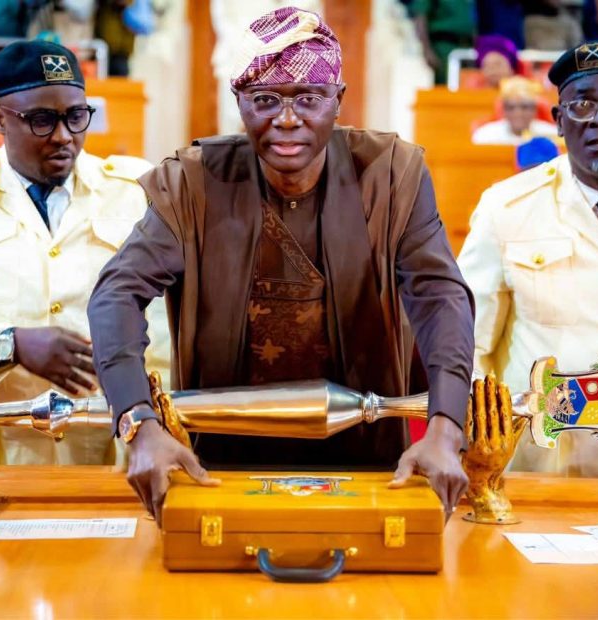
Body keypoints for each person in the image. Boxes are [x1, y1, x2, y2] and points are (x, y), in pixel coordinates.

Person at [88, 6, 474, 524]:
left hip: (372, 464)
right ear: (239, 102)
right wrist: (138, 423)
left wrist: (446, 427)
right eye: (265, 100)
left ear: (338, 100)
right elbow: (117, 293)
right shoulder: (194, 182)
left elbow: (439, 295)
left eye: (308, 99)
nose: (287, 120)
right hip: (218, 466)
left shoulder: (390, 173)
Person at [0, 40, 169, 485]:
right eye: (42, 120)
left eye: (75, 116)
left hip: (100, 449)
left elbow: (163, 329)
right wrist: (10, 345)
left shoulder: (131, 191)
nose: (64, 135)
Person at [458, 41, 598, 476]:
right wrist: (479, 448)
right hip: (544, 475)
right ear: (557, 120)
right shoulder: (508, 208)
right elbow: (467, 345)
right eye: (581, 104)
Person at [472, 76, 558, 145]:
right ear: (504, 111)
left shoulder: (552, 136)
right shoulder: (485, 136)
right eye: (511, 107)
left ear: (534, 110)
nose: (518, 113)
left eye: (525, 107)